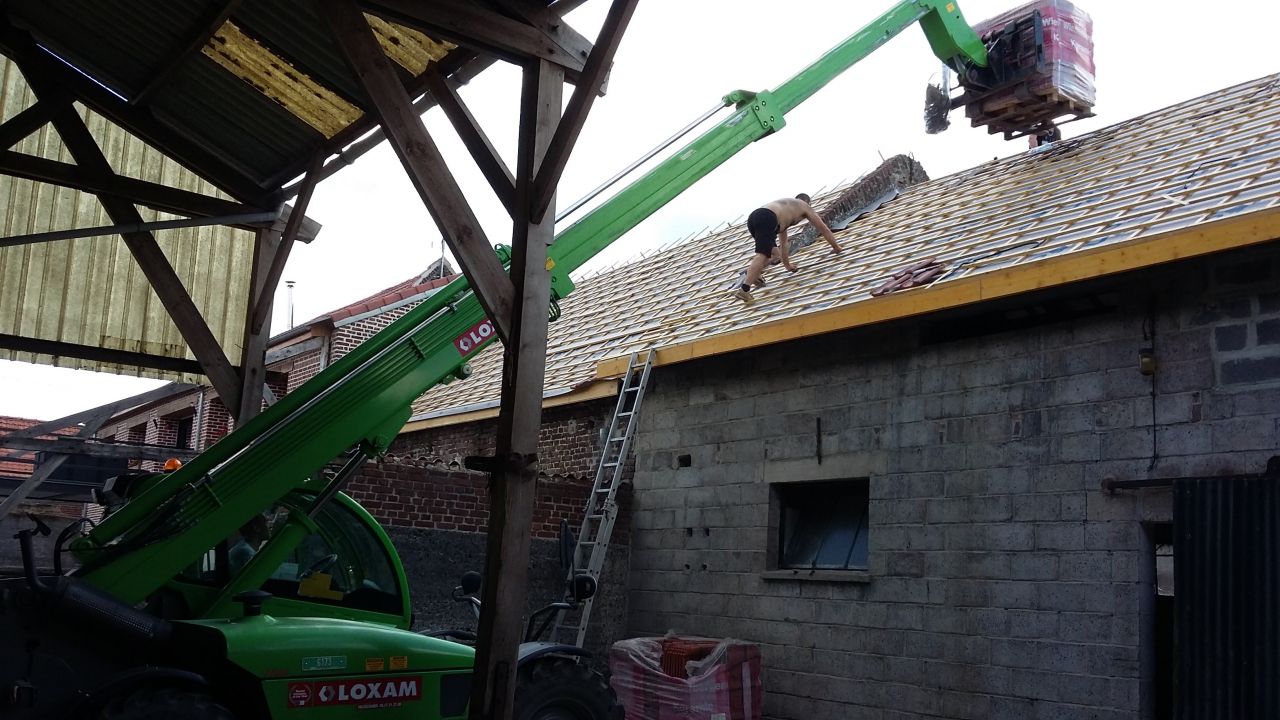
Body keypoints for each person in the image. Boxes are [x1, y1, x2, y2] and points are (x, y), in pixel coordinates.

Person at [735, 194, 841, 303]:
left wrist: (787, 265)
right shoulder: (805, 206)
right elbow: (823, 229)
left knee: (775, 256)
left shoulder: (787, 209)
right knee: (762, 254)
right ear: (808, 202)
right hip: (767, 217)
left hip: (755, 217)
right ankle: (744, 290)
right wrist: (836, 247)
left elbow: (784, 242)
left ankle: (753, 273)